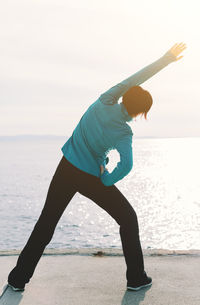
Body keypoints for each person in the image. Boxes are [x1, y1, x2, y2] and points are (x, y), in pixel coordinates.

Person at [7, 42, 186, 292]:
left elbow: (137, 77)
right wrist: (107, 179)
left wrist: (165, 59)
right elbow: (127, 165)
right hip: (91, 177)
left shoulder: (106, 99)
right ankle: (136, 278)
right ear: (141, 112)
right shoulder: (124, 133)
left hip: (66, 167)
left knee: (46, 223)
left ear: (125, 96)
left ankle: (17, 279)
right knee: (128, 218)